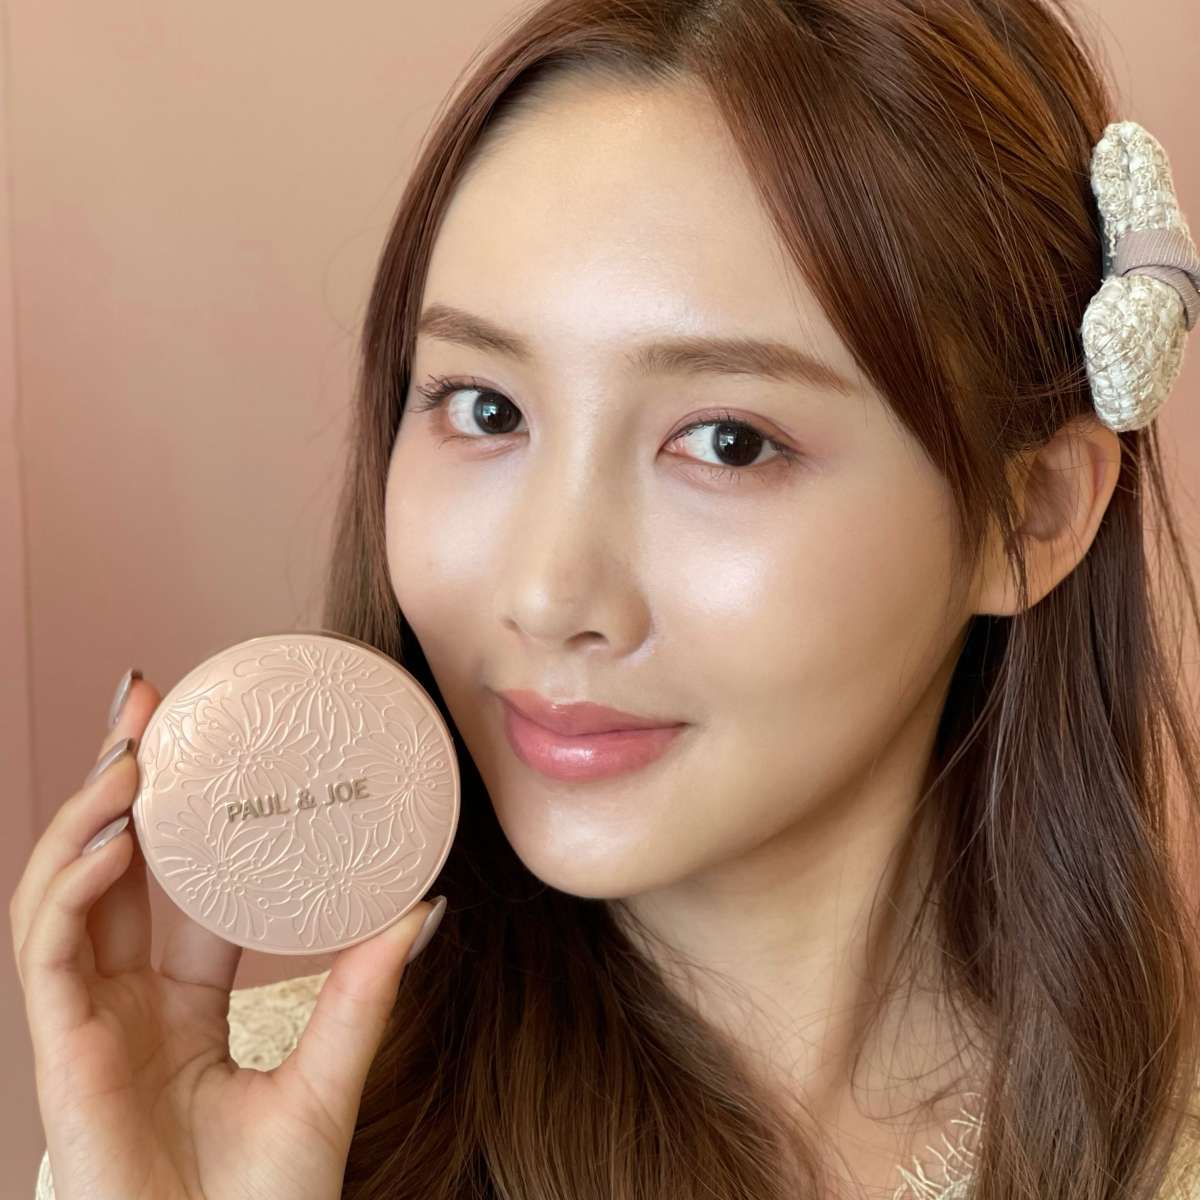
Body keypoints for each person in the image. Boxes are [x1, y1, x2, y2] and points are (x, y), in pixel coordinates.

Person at [13, 0, 1200, 1197]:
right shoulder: (214, 1134)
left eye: (729, 441)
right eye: (486, 409)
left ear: (1032, 517)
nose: (546, 594)